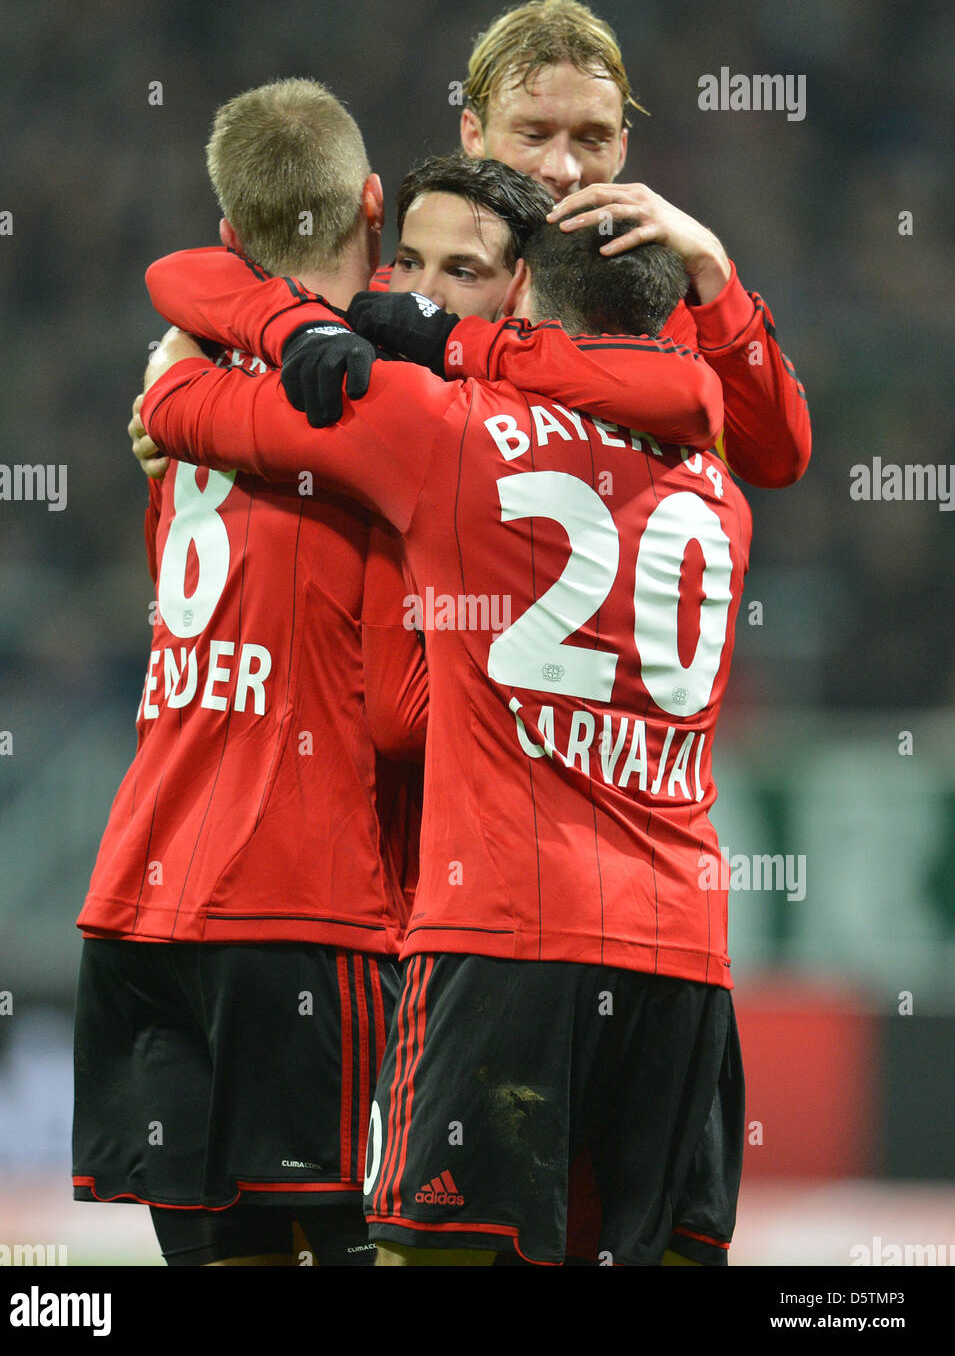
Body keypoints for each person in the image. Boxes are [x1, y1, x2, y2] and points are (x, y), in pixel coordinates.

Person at [134, 185, 751, 1266]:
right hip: (684, 953)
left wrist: (174, 377)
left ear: (527, 301)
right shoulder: (720, 486)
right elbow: (703, 394)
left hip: (506, 933)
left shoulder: (449, 432)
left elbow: (192, 410)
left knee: (441, 1254)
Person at [73, 77, 422, 1268]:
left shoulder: (182, 385)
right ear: (374, 204)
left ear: (233, 234)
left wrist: (174, 386)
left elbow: (180, 285)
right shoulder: (373, 407)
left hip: (142, 893)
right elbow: (388, 711)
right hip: (299, 893)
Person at [370, 0, 810, 491]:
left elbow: (775, 461)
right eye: (534, 136)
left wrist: (713, 267)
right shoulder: (407, 296)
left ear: (621, 148)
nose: (562, 170)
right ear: (473, 134)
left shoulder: (653, 305)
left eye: (591, 139)